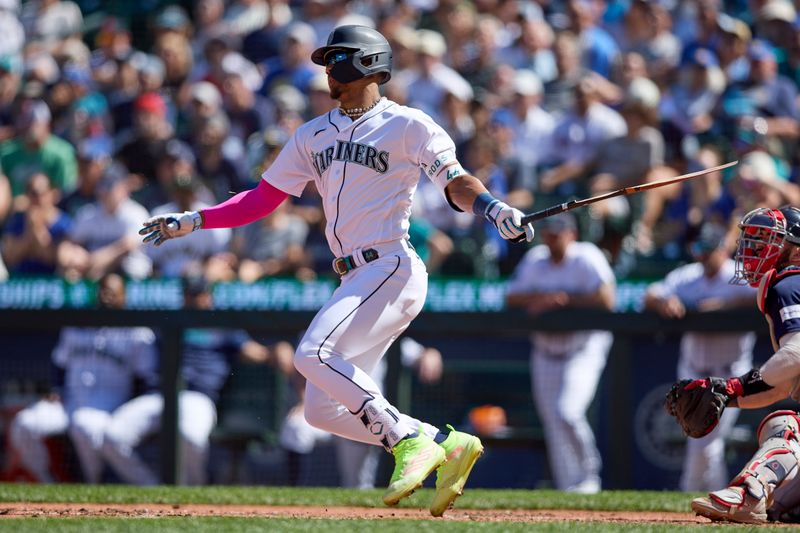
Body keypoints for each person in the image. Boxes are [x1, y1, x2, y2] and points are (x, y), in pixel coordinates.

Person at [138, 25, 534, 516]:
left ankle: (405, 438)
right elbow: (262, 199)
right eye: (327, 61)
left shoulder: (409, 124)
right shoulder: (313, 133)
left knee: (312, 353)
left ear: (369, 65)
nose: (328, 70)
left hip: (390, 265)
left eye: (337, 60)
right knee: (319, 409)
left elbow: (455, 181)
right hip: (354, 276)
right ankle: (442, 442)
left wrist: (495, 209)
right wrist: (195, 219)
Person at [101, 273, 294, 486]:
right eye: (190, 294)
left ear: (209, 296)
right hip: (159, 395)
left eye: (199, 294)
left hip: (197, 397)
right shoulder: (169, 319)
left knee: (190, 437)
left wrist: (277, 349)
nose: (194, 299)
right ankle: (152, 488)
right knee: (112, 436)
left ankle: (192, 493)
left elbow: (257, 353)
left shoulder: (221, 326)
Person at [682, 206, 800, 524]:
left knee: (785, 428)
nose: (755, 249)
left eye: (770, 240)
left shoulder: (789, 284)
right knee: (783, 509)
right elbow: (782, 383)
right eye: (755, 240)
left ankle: (748, 494)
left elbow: (798, 352)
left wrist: (733, 385)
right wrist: (729, 396)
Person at [8, 273, 158, 483]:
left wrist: (128, 410)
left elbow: (146, 381)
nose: (106, 297)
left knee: (84, 425)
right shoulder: (77, 325)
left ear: (124, 297)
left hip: (109, 406)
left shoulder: (138, 333)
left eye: (113, 292)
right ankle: (45, 483)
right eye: (103, 291)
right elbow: (59, 365)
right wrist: (57, 390)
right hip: (69, 401)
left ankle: (93, 484)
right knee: (25, 424)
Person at [505, 213, 615, 494]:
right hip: (545, 350)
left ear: (572, 234)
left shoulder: (586, 256)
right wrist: (540, 298)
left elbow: (607, 299)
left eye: (558, 233)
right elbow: (510, 296)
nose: (552, 238)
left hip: (582, 349)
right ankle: (568, 488)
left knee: (568, 412)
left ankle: (589, 477)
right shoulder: (537, 259)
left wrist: (564, 300)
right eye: (549, 233)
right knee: (553, 423)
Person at [644, 222, 756, 492]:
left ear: (723, 248)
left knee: (704, 441)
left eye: (709, 249)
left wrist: (727, 305)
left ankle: (691, 492)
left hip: (730, 371)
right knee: (704, 441)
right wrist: (663, 302)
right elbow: (650, 294)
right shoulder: (687, 276)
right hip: (693, 370)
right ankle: (715, 498)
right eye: (699, 248)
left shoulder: (739, 276)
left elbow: (765, 298)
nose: (703, 255)